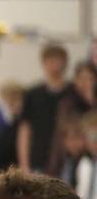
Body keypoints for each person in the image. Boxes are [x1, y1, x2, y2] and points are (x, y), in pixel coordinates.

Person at [17, 43, 72, 172]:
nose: (54, 65)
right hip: (39, 158)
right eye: (50, 60)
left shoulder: (72, 92)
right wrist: (24, 163)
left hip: (67, 157)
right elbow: (25, 129)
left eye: (58, 60)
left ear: (65, 63)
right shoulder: (33, 94)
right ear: (43, 63)